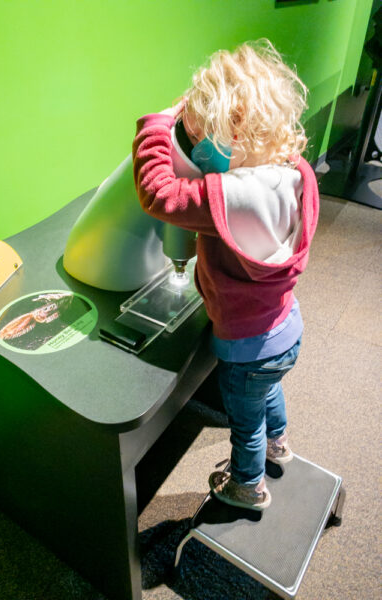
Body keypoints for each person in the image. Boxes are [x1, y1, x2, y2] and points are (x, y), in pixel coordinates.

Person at [132, 39, 319, 511]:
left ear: (233, 134)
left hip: (247, 347)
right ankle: (281, 444)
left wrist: (156, 126)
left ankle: (247, 486)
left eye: (200, 138)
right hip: (286, 325)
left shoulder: (235, 195)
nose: (196, 148)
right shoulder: (294, 171)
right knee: (269, 393)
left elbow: (158, 194)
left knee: (245, 419)